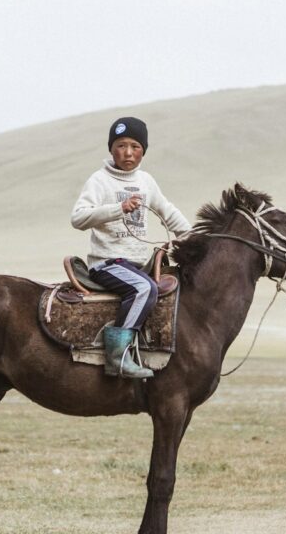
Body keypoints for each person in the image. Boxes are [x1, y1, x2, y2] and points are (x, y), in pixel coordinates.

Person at [71, 117, 191, 379]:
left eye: (135, 146)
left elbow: (167, 211)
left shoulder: (146, 181)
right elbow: (78, 218)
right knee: (143, 288)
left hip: (137, 264)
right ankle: (119, 358)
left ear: (143, 150)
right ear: (111, 149)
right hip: (107, 263)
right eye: (121, 145)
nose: (127, 152)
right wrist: (118, 209)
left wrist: (193, 237)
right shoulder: (99, 180)